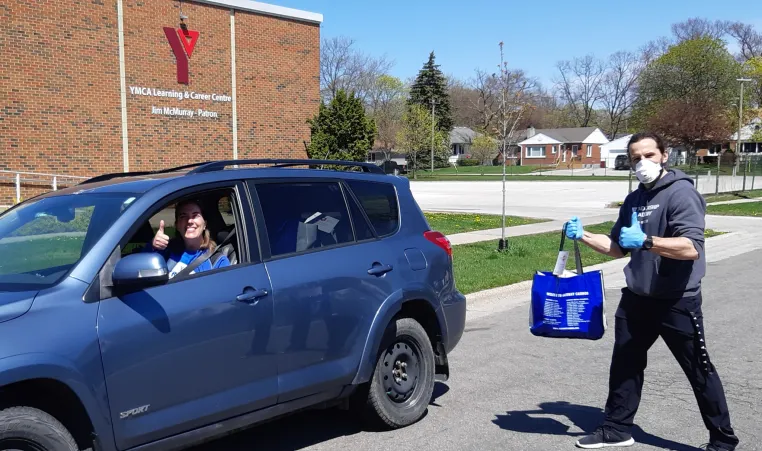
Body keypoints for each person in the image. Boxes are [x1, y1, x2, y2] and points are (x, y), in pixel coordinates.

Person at [565, 132, 739, 450]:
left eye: (649, 155)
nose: (642, 163)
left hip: (676, 300)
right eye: (635, 158)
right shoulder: (634, 199)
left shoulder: (681, 193)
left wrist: (647, 242)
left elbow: (691, 248)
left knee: (698, 369)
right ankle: (617, 429)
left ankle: (722, 440)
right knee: (625, 364)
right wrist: (584, 235)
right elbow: (618, 248)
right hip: (637, 299)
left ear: (664, 155)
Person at [149, 199, 230, 278]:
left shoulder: (217, 261)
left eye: (195, 215)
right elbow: (143, 270)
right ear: (177, 225)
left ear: (204, 224)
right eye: (183, 216)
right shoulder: (166, 252)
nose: (190, 221)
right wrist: (153, 245)